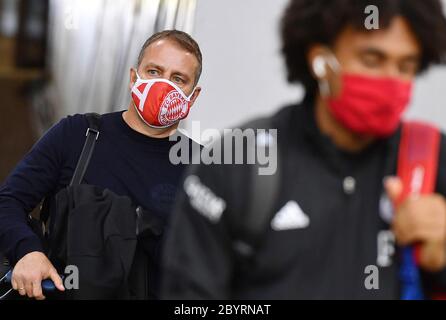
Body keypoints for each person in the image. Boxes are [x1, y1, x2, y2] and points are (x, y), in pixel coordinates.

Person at [162, 0, 446, 299]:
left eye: (406, 66)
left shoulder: (430, 160)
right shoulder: (238, 161)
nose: (390, 81)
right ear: (320, 60)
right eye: (372, 60)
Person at [0, 29, 202, 300]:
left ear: (194, 95)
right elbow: (8, 201)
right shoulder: (76, 135)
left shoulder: (202, 168)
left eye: (178, 79)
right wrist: (27, 251)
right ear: (134, 78)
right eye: (154, 71)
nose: (164, 85)